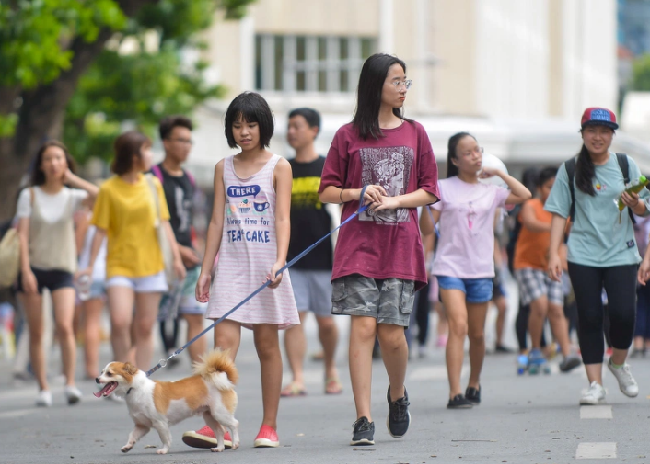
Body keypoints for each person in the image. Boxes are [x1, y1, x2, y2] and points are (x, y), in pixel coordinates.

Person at [319, 53, 440, 446]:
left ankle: (396, 393)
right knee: (364, 327)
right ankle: (363, 418)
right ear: (376, 85)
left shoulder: (416, 133)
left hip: (401, 247)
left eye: (406, 82)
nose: (403, 88)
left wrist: (396, 201)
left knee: (392, 336)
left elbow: (429, 190)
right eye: (397, 81)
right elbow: (326, 189)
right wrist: (358, 192)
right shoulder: (347, 135)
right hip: (358, 248)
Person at [184, 91, 298, 450]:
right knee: (223, 346)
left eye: (250, 124)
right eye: (236, 125)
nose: (243, 131)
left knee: (267, 345)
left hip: (267, 266)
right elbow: (217, 220)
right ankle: (212, 424)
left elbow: (282, 218)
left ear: (263, 125)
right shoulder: (223, 167)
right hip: (231, 265)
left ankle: (269, 426)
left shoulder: (279, 166)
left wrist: (280, 260)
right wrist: (206, 270)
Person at [547, 107, 648, 404]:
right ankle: (595, 384)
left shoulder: (625, 164)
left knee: (623, 315)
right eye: (592, 130)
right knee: (589, 316)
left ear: (613, 135)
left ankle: (617, 363)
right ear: (583, 134)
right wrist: (554, 252)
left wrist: (636, 205)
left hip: (621, 252)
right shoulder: (570, 169)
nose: (598, 137)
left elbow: (645, 207)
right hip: (582, 253)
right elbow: (557, 212)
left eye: (605, 131)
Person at [424, 132, 531, 409]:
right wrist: (423, 206)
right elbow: (427, 229)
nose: (475, 156)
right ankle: (454, 392)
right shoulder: (442, 188)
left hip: (481, 269)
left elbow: (525, 194)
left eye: (477, 150)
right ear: (455, 160)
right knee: (458, 326)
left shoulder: (491, 191)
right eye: (468, 152)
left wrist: (499, 174)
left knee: (478, 333)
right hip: (449, 267)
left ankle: (474, 382)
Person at [81, 131, 185, 370]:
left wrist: (176, 258)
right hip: (119, 265)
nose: (151, 154)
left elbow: (164, 222)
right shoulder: (109, 189)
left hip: (151, 265)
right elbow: (100, 230)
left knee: (145, 326)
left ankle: (140, 380)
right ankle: (123, 372)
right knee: (119, 321)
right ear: (133, 155)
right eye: (147, 149)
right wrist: (89, 264)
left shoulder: (153, 184)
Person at [16, 141, 99, 406]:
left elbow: (101, 197)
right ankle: (43, 387)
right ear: (40, 165)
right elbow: (22, 235)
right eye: (48, 159)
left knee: (65, 326)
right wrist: (25, 270)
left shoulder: (72, 197)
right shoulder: (28, 195)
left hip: (63, 268)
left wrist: (73, 179)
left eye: (59, 158)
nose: (53, 163)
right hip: (33, 268)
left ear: (65, 162)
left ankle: (70, 383)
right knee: (38, 330)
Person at [280, 108, 342, 397]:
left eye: (298, 126)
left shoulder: (328, 167)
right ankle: (298, 377)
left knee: (326, 322)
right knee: (294, 320)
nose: (292, 131)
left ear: (314, 130)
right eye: (289, 126)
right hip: (291, 259)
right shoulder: (283, 168)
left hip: (327, 259)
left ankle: (330, 368)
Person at [514, 166, 582, 374]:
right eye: (548, 187)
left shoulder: (563, 210)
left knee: (556, 309)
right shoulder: (531, 205)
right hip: (527, 265)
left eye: (557, 187)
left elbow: (575, 231)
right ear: (538, 188)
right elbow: (532, 225)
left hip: (552, 266)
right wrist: (559, 225)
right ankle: (535, 349)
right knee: (540, 306)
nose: (552, 192)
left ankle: (567, 353)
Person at [153, 116, 207, 365]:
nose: (186, 145)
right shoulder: (153, 177)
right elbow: (153, 223)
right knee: (146, 322)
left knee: (196, 318)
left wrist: (197, 248)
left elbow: (193, 218)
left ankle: (202, 382)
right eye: (180, 140)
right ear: (166, 142)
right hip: (159, 262)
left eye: (189, 141)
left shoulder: (189, 178)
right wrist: (177, 249)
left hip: (189, 260)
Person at [76, 209, 108, 380]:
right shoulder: (113, 214)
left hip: (91, 272)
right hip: (113, 272)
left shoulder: (87, 217)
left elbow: (77, 247)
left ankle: (91, 368)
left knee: (90, 321)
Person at [632, 214, 650, 357]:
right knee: (641, 303)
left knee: (642, 304)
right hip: (639, 265)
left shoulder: (634, 219)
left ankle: (641, 343)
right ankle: (640, 342)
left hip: (640, 264)